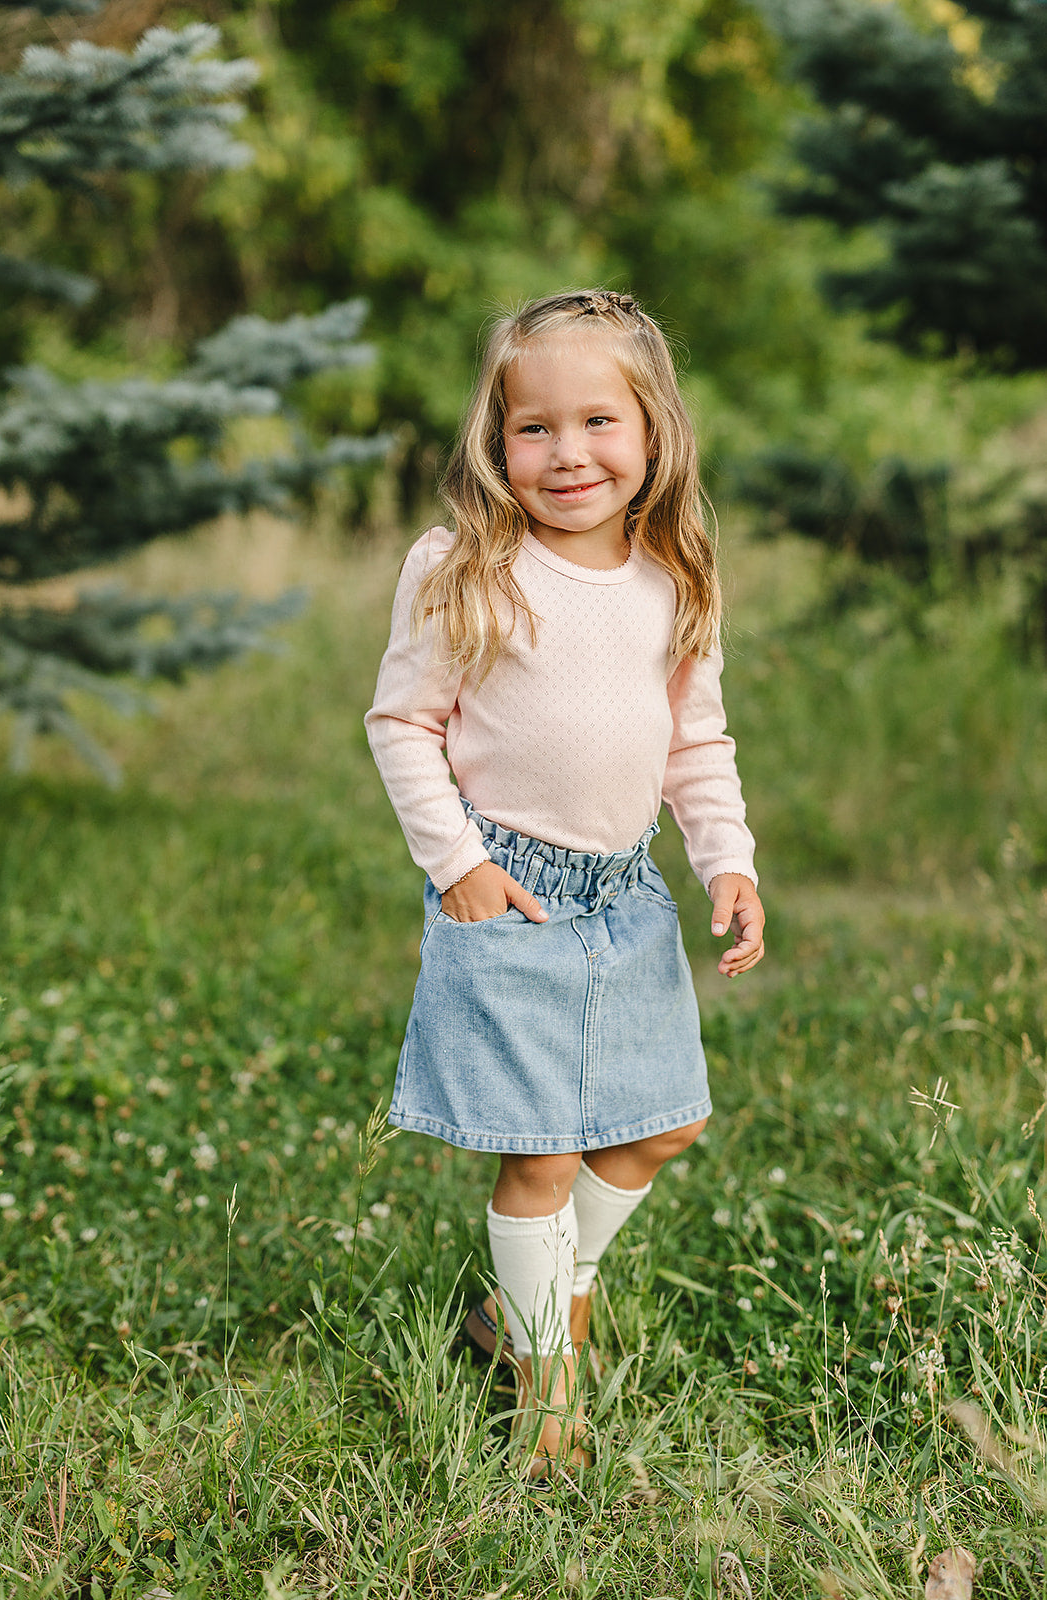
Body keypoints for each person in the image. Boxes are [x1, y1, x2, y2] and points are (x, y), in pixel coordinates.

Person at [365, 289, 765, 1477]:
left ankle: (537, 1293)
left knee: (664, 1123)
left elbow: (696, 741)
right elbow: (402, 722)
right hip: (513, 891)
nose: (568, 452)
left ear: (652, 432)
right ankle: (548, 1394)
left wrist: (728, 859)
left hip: (625, 896)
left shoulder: (672, 573)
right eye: (533, 426)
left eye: (598, 421)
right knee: (539, 1152)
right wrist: (461, 867)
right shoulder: (462, 566)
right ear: (497, 440)